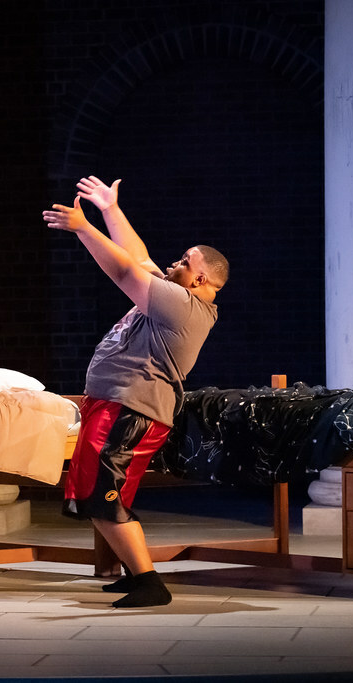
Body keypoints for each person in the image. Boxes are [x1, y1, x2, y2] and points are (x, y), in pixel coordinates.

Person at [42, 176, 228, 608]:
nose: (174, 262)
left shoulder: (184, 305)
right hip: (116, 408)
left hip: (129, 412)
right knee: (105, 494)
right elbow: (139, 257)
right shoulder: (173, 295)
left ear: (200, 278)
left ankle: (149, 582)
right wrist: (110, 209)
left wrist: (84, 227)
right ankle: (136, 573)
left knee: (99, 495)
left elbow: (125, 268)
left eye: (184, 260)